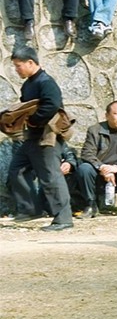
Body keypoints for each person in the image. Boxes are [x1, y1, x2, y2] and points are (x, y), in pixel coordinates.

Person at [10, 47, 74, 231]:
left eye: (18, 66)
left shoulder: (46, 82)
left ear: (31, 63)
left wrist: (33, 120)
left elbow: (52, 105)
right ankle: (31, 209)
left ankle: (63, 219)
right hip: (32, 138)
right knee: (17, 169)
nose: (17, 70)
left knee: (50, 177)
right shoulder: (28, 84)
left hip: (48, 137)